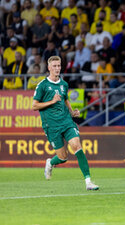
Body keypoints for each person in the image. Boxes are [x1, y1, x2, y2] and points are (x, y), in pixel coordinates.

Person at [32, 56, 99, 190]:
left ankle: (88, 182)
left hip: (66, 121)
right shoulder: (42, 85)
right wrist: (52, 101)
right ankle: (50, 162)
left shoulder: (64, 84)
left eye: (59, 66)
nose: (57, 68)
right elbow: (34, 105)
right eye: (54, 66)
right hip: (51, 126)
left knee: (77, 146)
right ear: (49, 67)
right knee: (63, 157)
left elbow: (65, 99)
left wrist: (71, 111)